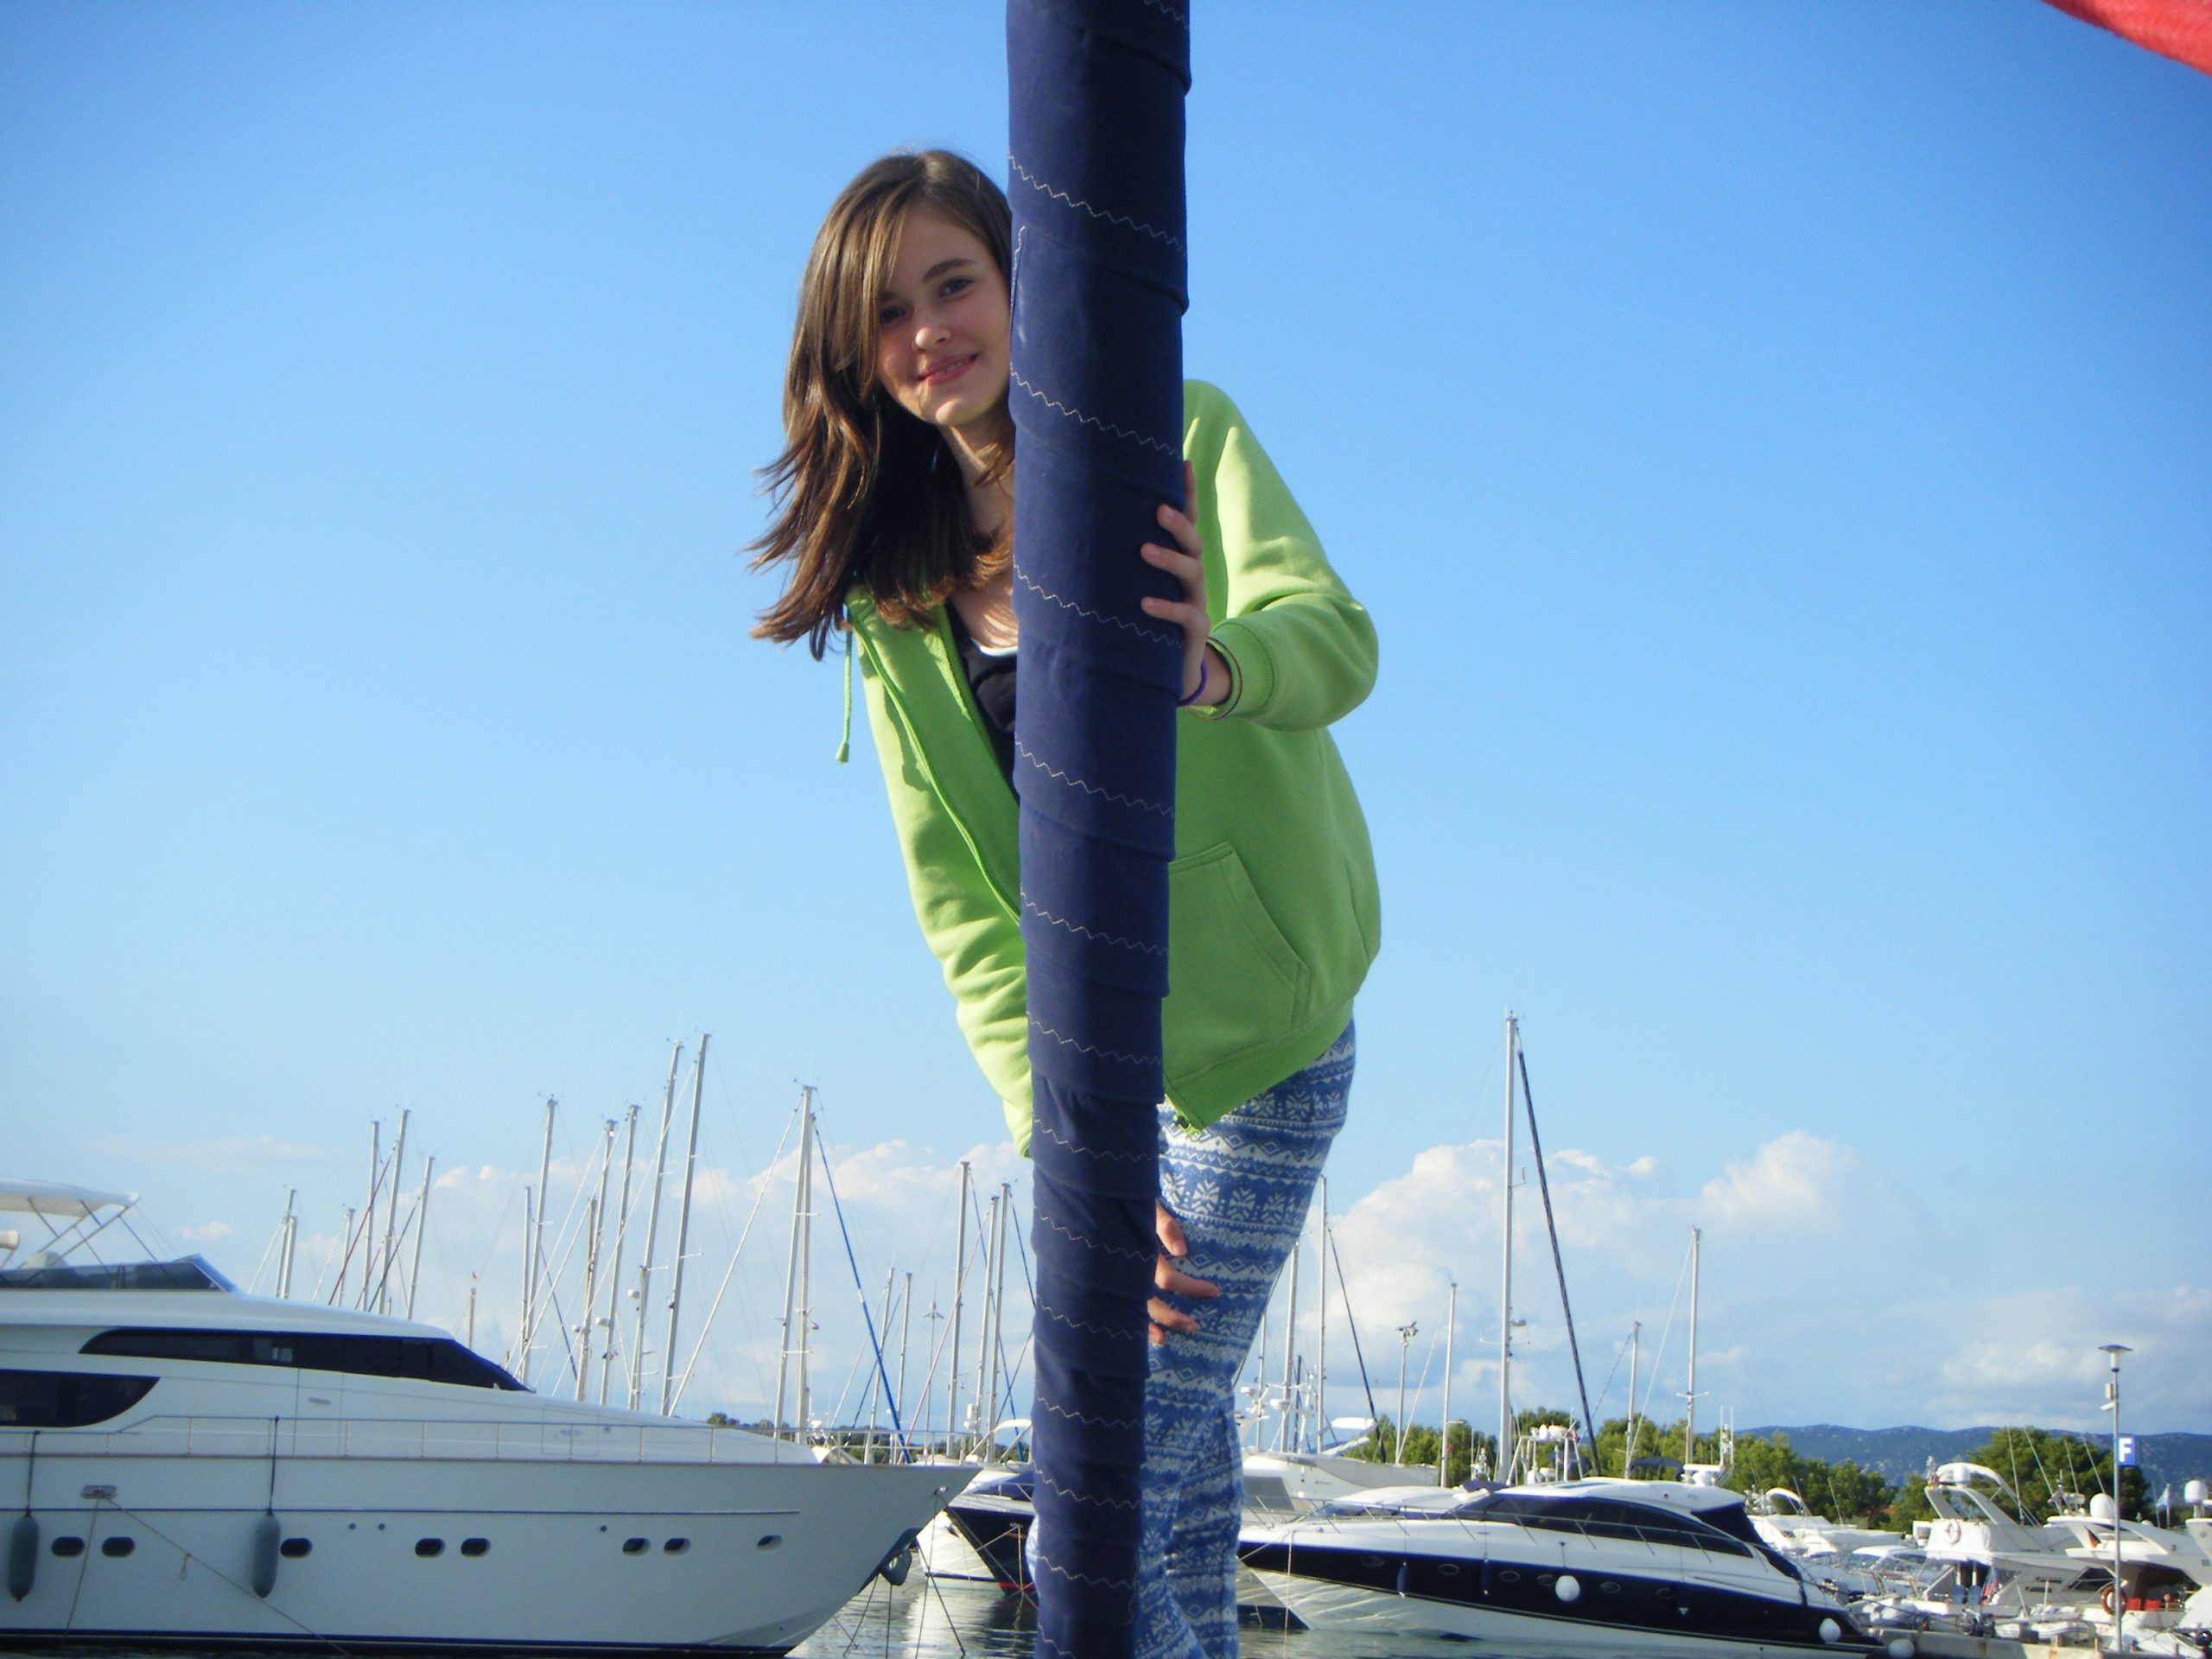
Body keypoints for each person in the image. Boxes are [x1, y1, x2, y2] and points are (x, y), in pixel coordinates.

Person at [752, 149, 1379, 1658]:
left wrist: (1214, 665)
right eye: (886, 313)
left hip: (1262, 1036)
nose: (928, 332)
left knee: (1099, 1480)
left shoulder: (1174, 430)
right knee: (1180, 1489)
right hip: (1101, 1077)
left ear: (1020, 282)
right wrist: (1059, 1141)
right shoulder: (893, 595)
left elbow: (1337, 639)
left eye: (953, 283)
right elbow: (962, 904)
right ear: (853, 355)